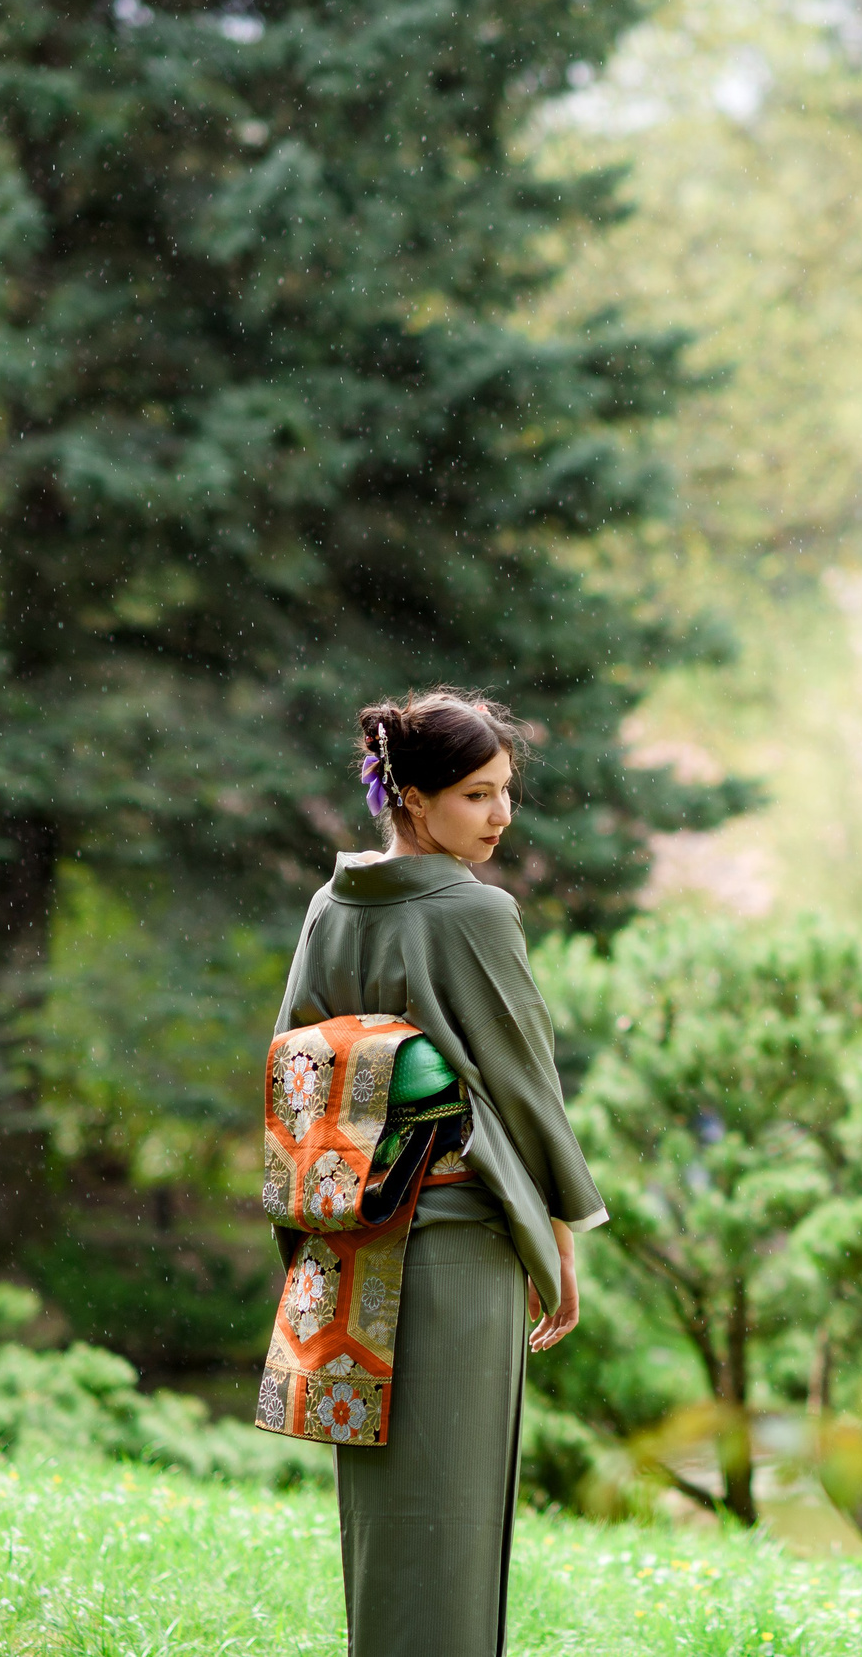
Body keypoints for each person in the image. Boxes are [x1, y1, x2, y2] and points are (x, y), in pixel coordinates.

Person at [273, 688, 608, 1657]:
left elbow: (297, 1074)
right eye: (476, 795)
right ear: (413, 798)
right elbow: (523, 1086)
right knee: (457, 1515)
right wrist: (558, 1235)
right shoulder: (476, 912)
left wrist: (310, 1239)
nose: (500, 816)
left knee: (386, 1521)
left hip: (356, 1242)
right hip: (460, 1238)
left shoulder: (331, 906)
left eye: (504, 793)